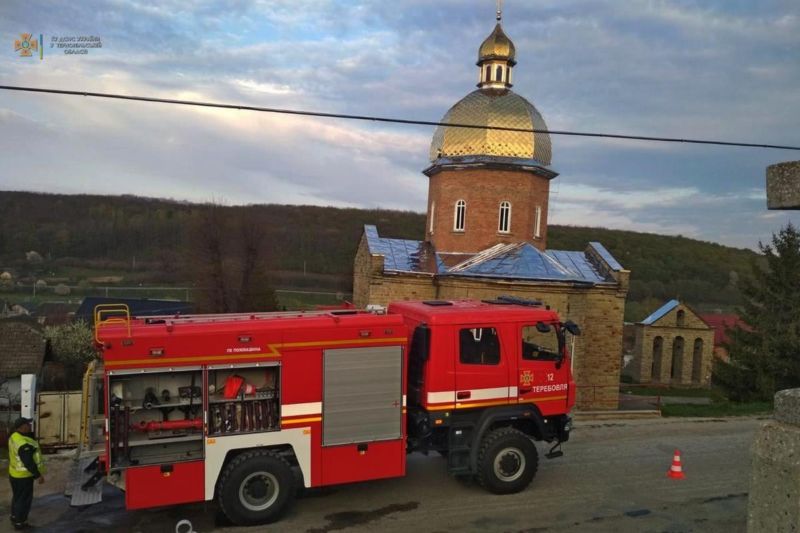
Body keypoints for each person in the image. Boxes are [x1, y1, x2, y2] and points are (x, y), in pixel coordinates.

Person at [8, 417, 45, 530]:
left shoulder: (14, 436)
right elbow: (28, 462)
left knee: (17, 497)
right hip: (23, 477)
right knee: (24, 500)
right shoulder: (23, 443)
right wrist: (38, 475)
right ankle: (20, 523)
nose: (29, 425)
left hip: (14, 474)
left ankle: (14, 516)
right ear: (21, 427)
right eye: (27, 424)